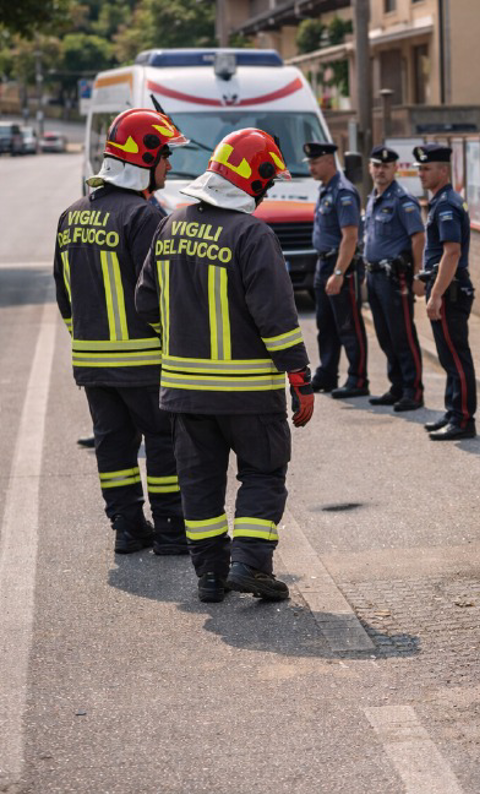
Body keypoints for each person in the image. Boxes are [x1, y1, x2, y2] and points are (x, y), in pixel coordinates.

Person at [134, 128, 314, 603]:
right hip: (249, 394)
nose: (267, 191)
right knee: (263, 473)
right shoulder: (252, 234)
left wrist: (181, 342)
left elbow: (145, 303)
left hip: (184, 394)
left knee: (199, 484)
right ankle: (249, 564)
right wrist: (300, 377)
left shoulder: (170, 225)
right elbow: (277, 319)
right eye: (266, 182)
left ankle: (211, 576)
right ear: (252, 178)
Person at [52, 107, 188, 556]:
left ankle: (127, 529)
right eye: (165, 154)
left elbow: (65, 297)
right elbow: (159, 294)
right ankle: (171, 530)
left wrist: (89, 341)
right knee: (164, 442)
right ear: (143, 158)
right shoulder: (142, 217)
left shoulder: (71, 215)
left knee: (113, 448)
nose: (169, 164)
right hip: (145, 362)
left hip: (91, 364)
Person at [414, 143, 476, 440]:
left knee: (456, 356)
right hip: (444, 287)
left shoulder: (447, 205)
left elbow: (452, 253)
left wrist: (436, 294)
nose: (421, 174)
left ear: (443, 170)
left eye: (427, 169)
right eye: (420, 169)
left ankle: (463, 420)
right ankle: (453, 412)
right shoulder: (441, 201)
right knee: (449, 357)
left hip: (449, 291)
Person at [362, 145, 425, 411]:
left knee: (402, 334)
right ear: (370, 168)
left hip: (394, 277)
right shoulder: (373, 198)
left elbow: (418, 238)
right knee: (385, 335)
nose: (380, 171)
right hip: (374, 275)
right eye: (376, 165)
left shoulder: (402, 200)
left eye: (386, 167)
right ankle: (397, 386)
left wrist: (418, 275)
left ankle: (413, 391)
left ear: (395, 169)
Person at [305, 141, 368, 399]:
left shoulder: (343, 192)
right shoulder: (325, 189)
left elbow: (350, 237)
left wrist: (339, 273)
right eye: (310, 163)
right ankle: (327, 374)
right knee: (326, 324)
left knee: (348, 325)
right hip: (324, 263)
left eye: (315, 162)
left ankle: (358, 378)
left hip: (341, 264)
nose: (311, 167)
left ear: (330, 161)